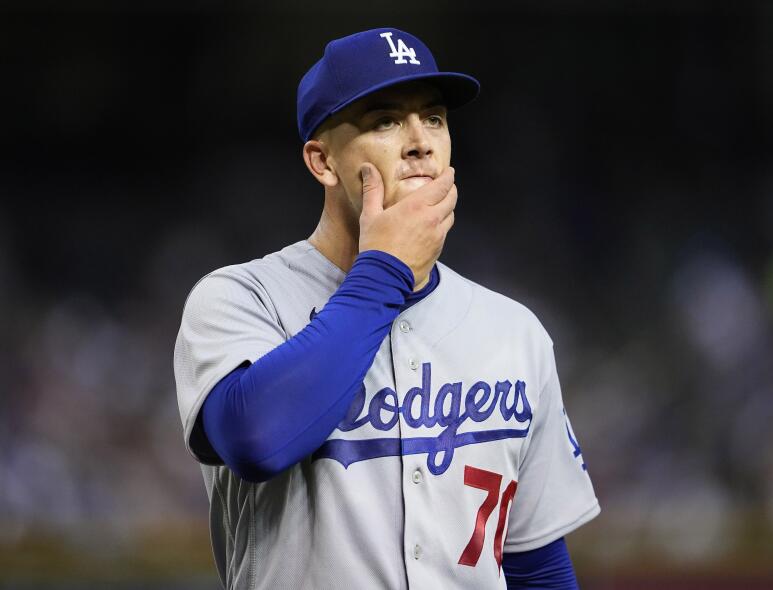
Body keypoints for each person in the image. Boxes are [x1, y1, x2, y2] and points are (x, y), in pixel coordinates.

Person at [174, 27, 599, 590]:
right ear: (322, 161)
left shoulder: (513, 331)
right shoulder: (242, 299)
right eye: (385, 121)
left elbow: (535, 564)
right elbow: (255, 440)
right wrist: (385, 272)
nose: (420, 141)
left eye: (435, 118)